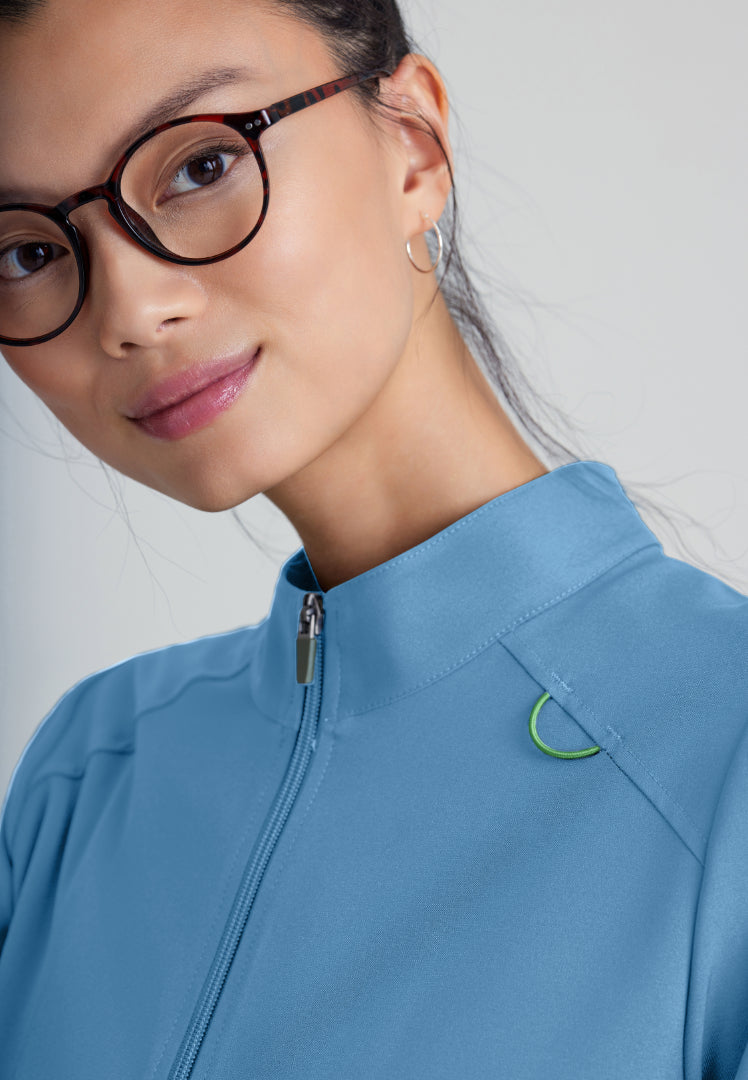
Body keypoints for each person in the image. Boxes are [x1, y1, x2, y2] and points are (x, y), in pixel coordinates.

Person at [0, 1, 746, 1078]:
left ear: (413, 145)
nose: (128, 307)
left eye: (202, 166)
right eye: (26, 250)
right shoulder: (91, 770)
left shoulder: (721, 758)